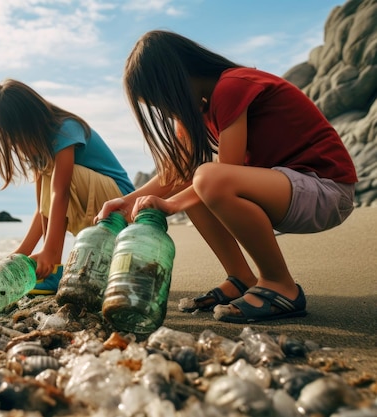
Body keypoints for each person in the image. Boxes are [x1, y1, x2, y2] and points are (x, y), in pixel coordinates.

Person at [95, 30, 357, 323]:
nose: (167, 113)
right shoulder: (201, 108)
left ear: (178, 79)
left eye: (162, 101)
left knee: (206, 179)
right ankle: (241, 277)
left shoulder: (232, 86)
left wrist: (170, 205)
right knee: (196, 185)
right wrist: (127, 202)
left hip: (326, 191)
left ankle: (280, 284)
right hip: (289, 191)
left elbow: (224, 172)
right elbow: (176, 173)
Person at [0, 79, 135, 295]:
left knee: (56, 175)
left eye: (17, 136)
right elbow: (42, 210)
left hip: (123, 204)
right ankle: (53, 266)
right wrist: (20, 254)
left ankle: (54, 265)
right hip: (96, 212)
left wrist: (50, 253)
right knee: (50, 174)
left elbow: (61, 191)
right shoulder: (41, 155)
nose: (16, 145)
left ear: (31, 121)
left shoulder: (66, 128)